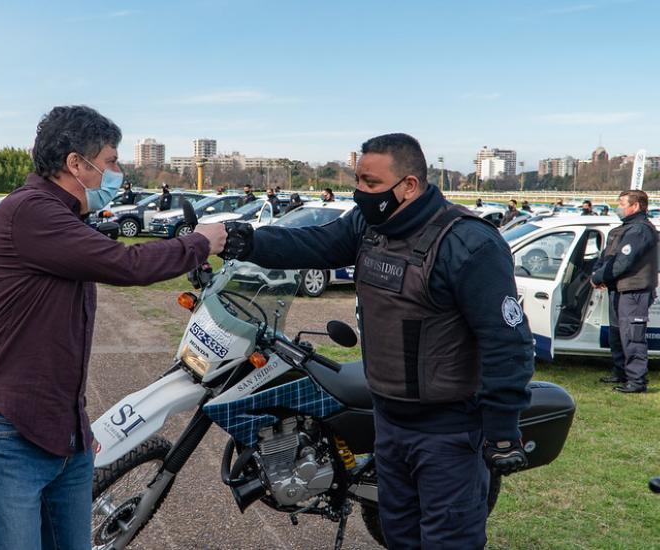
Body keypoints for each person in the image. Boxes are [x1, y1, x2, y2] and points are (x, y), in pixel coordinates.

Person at [222, 133, 533, 549]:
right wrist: (244, 241)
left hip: (449, 432)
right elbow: (314, 243)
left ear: (408, 185)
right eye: (358, 181)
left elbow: (506, 341)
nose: (360, 193)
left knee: (449, 541)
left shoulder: (468, 243)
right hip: (388, 422)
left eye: (371, 184)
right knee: (399, 535)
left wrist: (501, 428)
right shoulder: (369, 226)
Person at [0, 105, 227, 550]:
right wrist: (199, 242)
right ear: (76, 163)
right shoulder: (31, 212)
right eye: (112, 161)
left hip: (62, 434)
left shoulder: (61, 219)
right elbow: (126, 264)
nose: (117, 173)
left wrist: (75, 427)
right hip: (4, 430)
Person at [591, 189, 658, 393]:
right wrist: (599, 272)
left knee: (632, 336)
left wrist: (599, 277)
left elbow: (623, 261)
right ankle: (621, 372)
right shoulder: (625, 229)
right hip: (619, 289)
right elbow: (608, 257)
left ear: (635, 206)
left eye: (622, 203)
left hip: (634, 290)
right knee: (617, 333)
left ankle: (637, 381)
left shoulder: (640, 230)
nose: (618, 207)